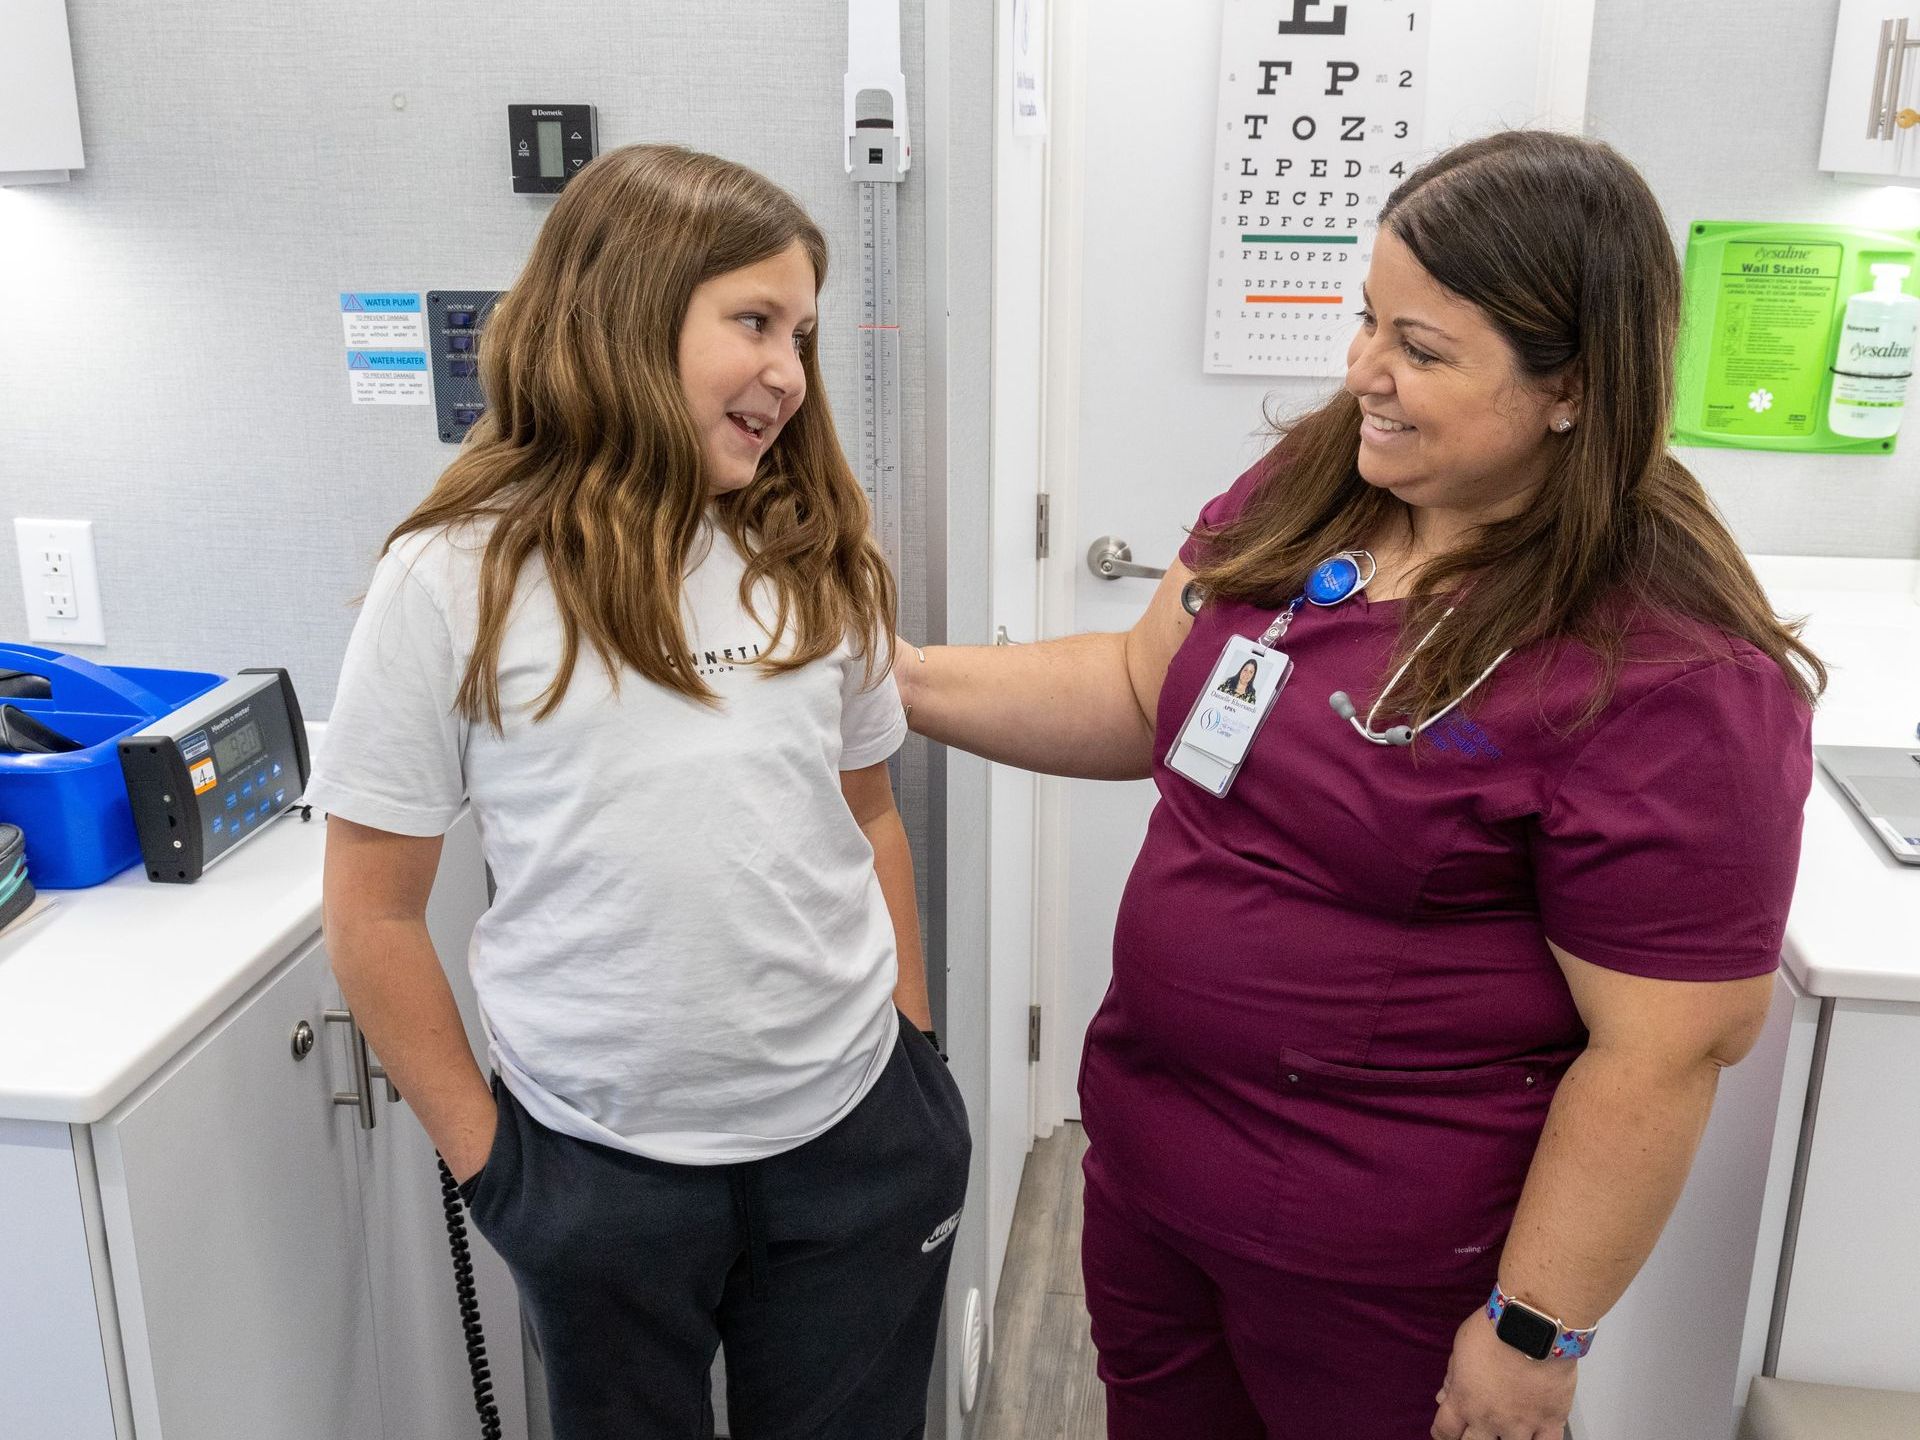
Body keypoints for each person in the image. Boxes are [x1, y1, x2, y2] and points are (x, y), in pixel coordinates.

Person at [896, 130, 1819, 1440]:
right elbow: (1140, 691)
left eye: (1424, 351)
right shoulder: (1321, 483)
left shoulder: (1667, 672)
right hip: (1155, 1180)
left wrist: (1534, 1332)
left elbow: (1666, 1049)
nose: (1365, 373)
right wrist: (891, 683)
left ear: (1575, 387)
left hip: (1387, 1270)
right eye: (1367, 321)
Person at [308, 144, 969, 1440]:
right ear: (624, 314)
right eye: (754, 322)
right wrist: (492, 1170)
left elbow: (871, 813)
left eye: (803, 334)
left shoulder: (817, 552)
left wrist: (920, 1053)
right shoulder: (456, 580)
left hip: (855, 1136)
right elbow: (372, 915)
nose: (787, 369)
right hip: (596, 1168)